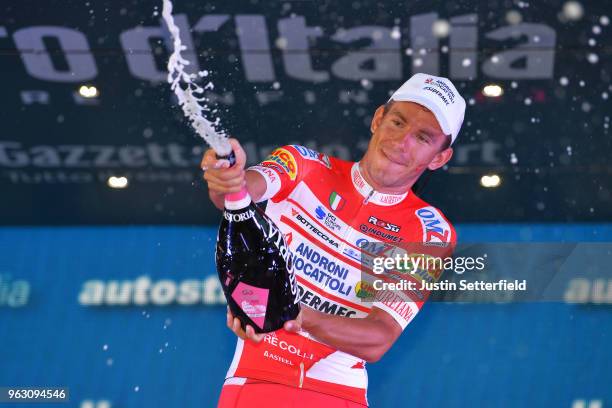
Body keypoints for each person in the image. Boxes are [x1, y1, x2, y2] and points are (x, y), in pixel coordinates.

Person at [202, 73, 466, 407]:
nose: (402, 142)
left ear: (439, 158)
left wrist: (293, 312)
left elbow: (379, 338)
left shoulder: (428, 232)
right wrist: (228, 177)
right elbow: (239, 195)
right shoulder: (304, 166)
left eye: (423, 138)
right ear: (377, 119)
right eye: (397, 122)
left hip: (340, 395)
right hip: (256, 383)